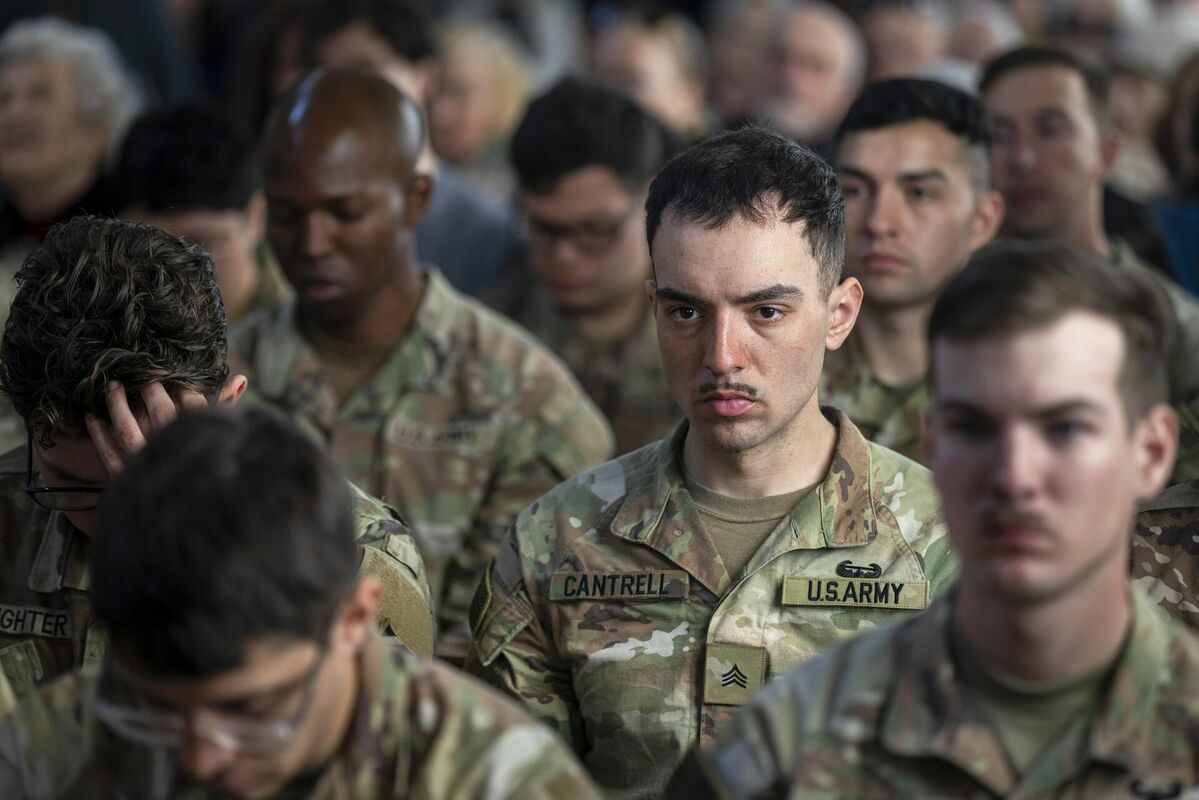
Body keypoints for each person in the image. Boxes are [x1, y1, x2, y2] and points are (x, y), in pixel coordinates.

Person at [467, 127, 955, 799]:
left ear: (838, 314)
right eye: (686, 311)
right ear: (653, 310)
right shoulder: (557, 543)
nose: (721, 355)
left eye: (766, 311)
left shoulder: (944, 544)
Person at [669, 240, 1195, 798]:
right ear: (934, 447)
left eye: (1065, 429)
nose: (1015, 476)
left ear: (1152, 452)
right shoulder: (787, 740)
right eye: (974, 428)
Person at [0, 406, 601, 799]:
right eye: (157, 708)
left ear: (355, 619)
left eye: (251, 708)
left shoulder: (497, 780)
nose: (202, 758)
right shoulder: (57, 746)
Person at [233, 68, 612, 662]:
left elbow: (502, 654)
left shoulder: (527, 404)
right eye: (286, 215)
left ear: (416, 199)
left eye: (345, 212)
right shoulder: (216, 383)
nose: (311, 243)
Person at [0, 215, 434, 706]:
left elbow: (359, 765)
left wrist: (189, 549)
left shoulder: (351, 557)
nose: (122, 516)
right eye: (74, 485)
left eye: (145, 473)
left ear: (226, 408)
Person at [980, 45, 1199, 482]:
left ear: (1107, 151)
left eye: (1051, 129)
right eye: (1000, 134)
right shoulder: (941, 301)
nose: (1022, 157)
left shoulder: (1173, 324)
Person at [820, 78, 1004, 463]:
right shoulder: (779, 369)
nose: (880, 222)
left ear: (982, 220)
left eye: (919, 193)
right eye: (854, 190)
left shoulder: (1025, 378)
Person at [495, 76, 682, 455]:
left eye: (596, 231)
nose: (565, 255)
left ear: (652, 199)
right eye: (544, 229)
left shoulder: (708, 341)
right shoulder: (490, 340)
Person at [298, 0, 522, 298]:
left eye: (365, 69)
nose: (345, 92)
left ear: (425, 74)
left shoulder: (487, 230)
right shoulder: (295, 210)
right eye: (327, 76)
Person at [0, 17, 140, 307]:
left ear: (98, 128)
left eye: (40, 95)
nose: (13, 114)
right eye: (4, 99)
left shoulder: (132, 248)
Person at [116, 102, 291, 325]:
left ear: (255, 218)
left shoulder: (310, 339)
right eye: (149, 248)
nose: (173, 274)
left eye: (201, 245)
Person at [427, 20, 530, 200]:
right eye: (433, 90)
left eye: (459, 93)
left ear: (502, 97)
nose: (439, 111)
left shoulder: (522, 189)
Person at [590, 8, 713, 142]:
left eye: (630, 81)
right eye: (600, 78)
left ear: (688, 93)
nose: (606, 94)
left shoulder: (725, 160)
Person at [761, 0, 866, 155]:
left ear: (847, 92)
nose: (790, 77)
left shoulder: (854, 172)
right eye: (780, 57)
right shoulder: (715, 146)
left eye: (815, 66)